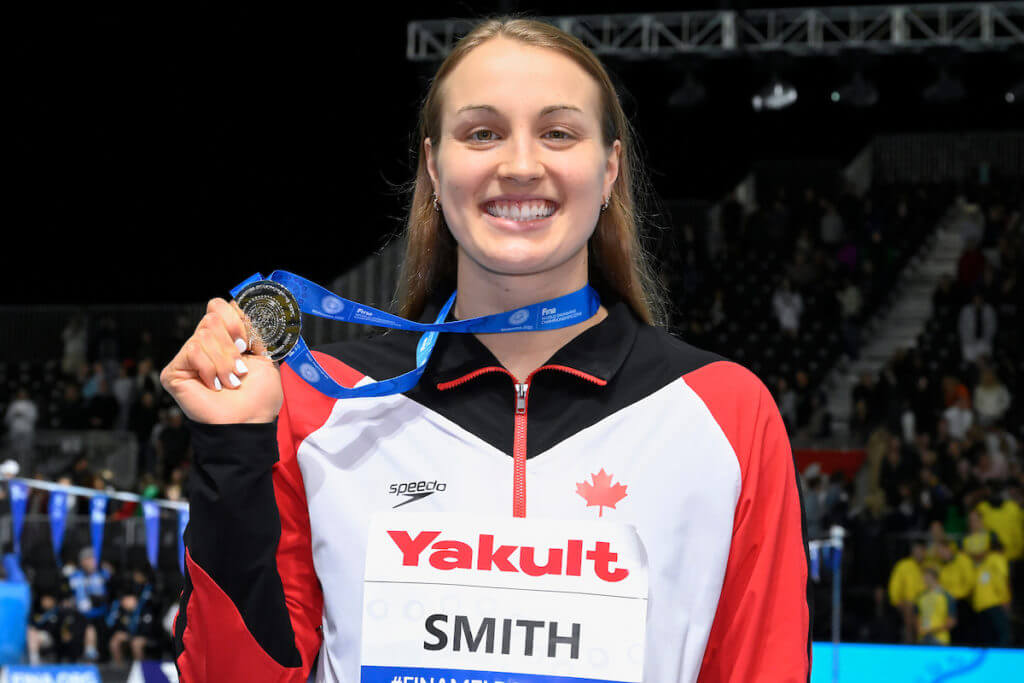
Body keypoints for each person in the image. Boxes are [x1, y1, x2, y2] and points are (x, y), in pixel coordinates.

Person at [161, 17, 810, 682]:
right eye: (482, 133)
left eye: (558, 132)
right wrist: (234, 450)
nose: (521, 165)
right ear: (435, 168)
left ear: (609, 168)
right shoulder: (322, 402)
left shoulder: (725, 413)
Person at [888, 541, 926, 643]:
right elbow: (895, 585)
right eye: (916, 551)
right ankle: (909, 642)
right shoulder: (904, 565)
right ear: (912, 552)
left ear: (924, 552)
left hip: (925, 603)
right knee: (909, 609)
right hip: (908, 603)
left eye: (921, 551)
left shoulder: (928, 566)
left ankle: (923, 642)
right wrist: (896, 601)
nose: (918, 554)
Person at [916, 566, 956, 645]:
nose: (924, 580)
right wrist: (920, 629)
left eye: (926, 577)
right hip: (922, 638)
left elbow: (951, 621)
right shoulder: (921, 596)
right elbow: (918, 617)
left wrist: (931, 631)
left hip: (939, 639)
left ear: (933, 577)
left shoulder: (946, 596)